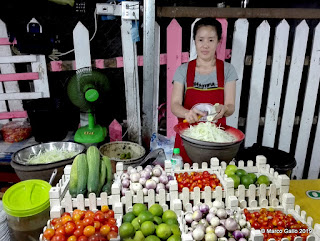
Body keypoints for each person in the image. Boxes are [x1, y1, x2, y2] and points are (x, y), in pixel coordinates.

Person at [171, 18, 238, 164]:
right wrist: (186, 113)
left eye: (211, 40)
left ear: (219, 41)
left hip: (216, 141)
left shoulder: (228, 70)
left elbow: (231, 106)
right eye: (201, 40)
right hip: (188, 140)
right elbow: (175, 105)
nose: (205, 45)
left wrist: (225, 108)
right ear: (194, 40)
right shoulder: (183, 70)